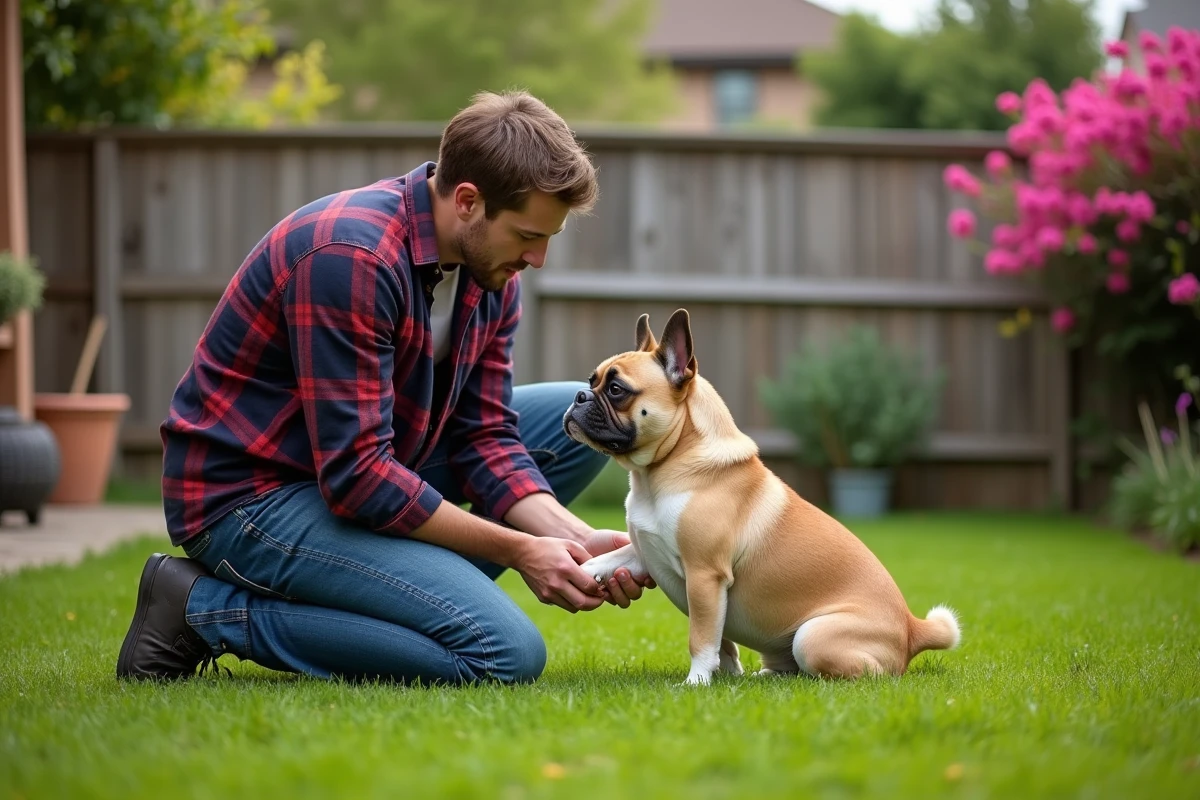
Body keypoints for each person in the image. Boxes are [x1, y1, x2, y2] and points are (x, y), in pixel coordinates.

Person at [115, 90, 654, 686]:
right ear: (468, 201)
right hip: (250, 498)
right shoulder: (351, 257)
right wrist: (519, 549)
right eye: (528, 235)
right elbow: (358, 478)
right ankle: (198, 610)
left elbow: (486, 435)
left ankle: (400, 591)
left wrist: (577, 541)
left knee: (563, 418)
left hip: (366, 468)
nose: (540, 258)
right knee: (505, 653)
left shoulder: (492, 273)